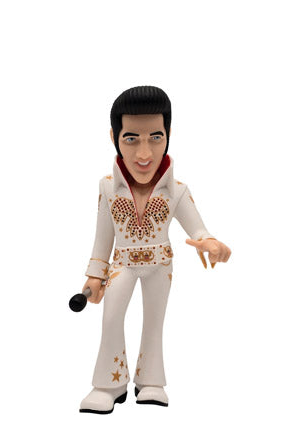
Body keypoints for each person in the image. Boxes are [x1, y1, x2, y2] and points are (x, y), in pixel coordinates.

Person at [79, 86, 231, 414]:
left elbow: (198, 228)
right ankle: (109, 383)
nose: (144, 153)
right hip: (122, 264)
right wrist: (95, 275)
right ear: (114, 138)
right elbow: (102, 237)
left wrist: (210, 243)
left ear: (169, 135)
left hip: (160, 265)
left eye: (156, 138)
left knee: (154, 322)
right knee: (111, 317)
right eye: (131, 138)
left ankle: (150, 381)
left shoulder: (177, 190)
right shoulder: (108, 187)